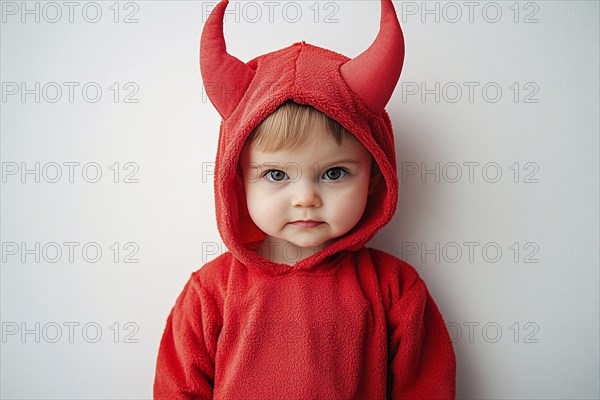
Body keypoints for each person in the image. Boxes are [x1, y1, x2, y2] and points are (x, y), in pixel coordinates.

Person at [153, 0, 456, 398]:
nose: (306, 198)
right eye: (276, 174)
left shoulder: (395, 289)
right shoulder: (211, 292)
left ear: (374, 178)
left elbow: (426, 389)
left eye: (334, 173)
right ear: (238, 180)